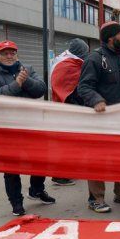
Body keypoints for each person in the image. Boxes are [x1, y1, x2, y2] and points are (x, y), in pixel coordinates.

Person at [0, 40, 55, 216]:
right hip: (7, 129)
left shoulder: (26, 68)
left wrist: (25, 79)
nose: (9, 56)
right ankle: (16, 202)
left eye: (12, 53)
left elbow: (40, 90)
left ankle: (37, 190)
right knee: (12, 168)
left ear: (17, 54)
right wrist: (16, 85)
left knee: (40, 160)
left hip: (32, 126)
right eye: (5, 53)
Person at [77, 21, 120, 213]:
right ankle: (95, 199)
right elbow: (84, 87)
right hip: (101, 120)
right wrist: (96, 100)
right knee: (98, 159)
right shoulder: (95, 59)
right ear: (110, 37)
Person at [49, 38, 90, 187]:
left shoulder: (66, 61)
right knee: (66, 145)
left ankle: (67, 172)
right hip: (66, 109)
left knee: (72, 143)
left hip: (66, 108)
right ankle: (59, 176)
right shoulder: (67, 65)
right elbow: (69, 90)